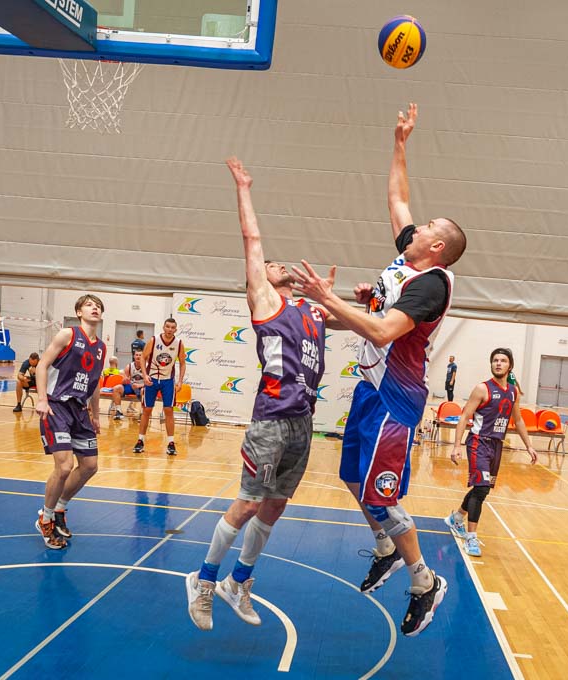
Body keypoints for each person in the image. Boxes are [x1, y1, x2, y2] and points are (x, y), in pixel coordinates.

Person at [291, 102, 467, 637]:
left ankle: (424, 580)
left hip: (396, 399)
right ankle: (387, 547)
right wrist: (400, 141)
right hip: (370, 387)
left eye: (427, 226)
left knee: (381, 495)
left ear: (436, 246)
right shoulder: (405, 261)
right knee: (351, 476)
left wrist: (328, 299)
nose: (417, 223)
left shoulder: (430, 284)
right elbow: (396, 197)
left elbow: (384, 332)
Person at [185, 157, 330, 631]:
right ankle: (204, 581)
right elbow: (251, 239)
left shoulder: (310, 311)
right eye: (269, 264)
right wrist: (243, 188)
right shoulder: (266, 300)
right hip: (271, 418)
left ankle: (238, 581)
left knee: (275, 505)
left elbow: (359, 322)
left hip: (303, 422)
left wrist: (340, 298)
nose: (276, 263)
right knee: (248, 502)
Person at [444, 348, 537, 556]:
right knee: (481, 488)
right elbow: (464, 416)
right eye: (495, 360)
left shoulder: (513, 392)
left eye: (503, 360)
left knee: (482, 490)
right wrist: (457, 445)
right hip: (478, 442)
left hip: (496, 445)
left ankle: (456, 518)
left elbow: (518, 420)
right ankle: (471, 538)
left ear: (509, 366)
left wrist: (529, 445)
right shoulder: (482, 389)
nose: (498, 363)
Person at [34, 295, 107, 549]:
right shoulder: (67, 334)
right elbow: (42, 365)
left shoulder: (101, 347)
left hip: (80, 411)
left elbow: (95, 383)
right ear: (78, 312)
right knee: (64, 467)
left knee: (89, 466)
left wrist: (95, 414)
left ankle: (60, 508)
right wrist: (42, 399)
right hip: (57, 406)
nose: (95, 308)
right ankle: (45, 518)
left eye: (98, 306)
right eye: (89, 305)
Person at [134, 318, 187, 455]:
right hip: (152, 379)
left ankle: (171, 443)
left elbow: (182, 363)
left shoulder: (179, 343)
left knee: (169, 410)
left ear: (176, 329)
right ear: (163, 327)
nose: (170, 329)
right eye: (167, 326)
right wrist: (145, 375)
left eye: (172, 327)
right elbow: (143, 357)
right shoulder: (154, 340)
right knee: (147, 410)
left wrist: (180, 381)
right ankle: (140, 440)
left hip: (167, 380)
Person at [111, 350, 145, 420]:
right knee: (116, 388)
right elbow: (123, 381)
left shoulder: (147, 366)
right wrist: (125, 380)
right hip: (131, 386)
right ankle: (118, 411)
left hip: (142, 386)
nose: (138, 356)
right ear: (134, 356)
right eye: (137, 355)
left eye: (140, 355)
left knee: (144, 391)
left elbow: (150, 381)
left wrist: (139, 385)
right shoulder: (129, 366)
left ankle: (142, 413)